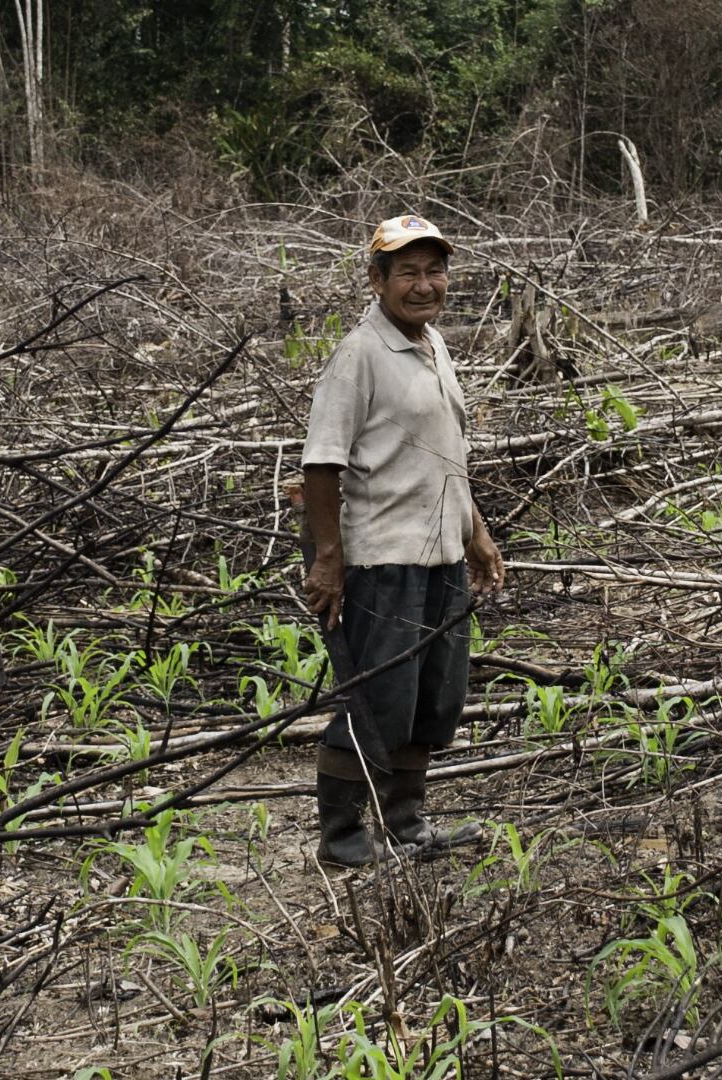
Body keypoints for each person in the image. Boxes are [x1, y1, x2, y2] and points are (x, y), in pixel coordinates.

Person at [299, 213, 504, 866]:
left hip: (440, 554)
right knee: (376, 700)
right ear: (377, 279)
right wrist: (328, 559)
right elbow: (321, 464)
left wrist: (476, 533)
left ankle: (406, 825)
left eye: (434, 271)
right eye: (408, 272)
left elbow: (444, 454)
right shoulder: (359, 355)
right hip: (382, 559)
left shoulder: (433, 343)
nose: (424, 285)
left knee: (431, 700)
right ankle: (342, 838)